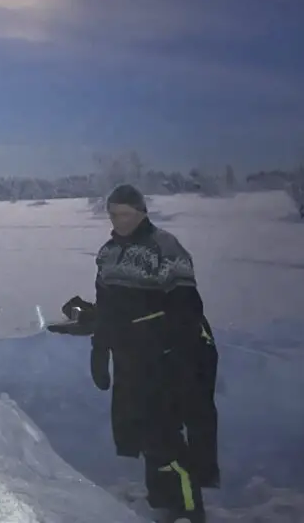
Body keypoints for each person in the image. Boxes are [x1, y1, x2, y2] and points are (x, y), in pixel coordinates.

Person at [80, 184, 220, 522]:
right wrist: (100, 350)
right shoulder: (108, 252)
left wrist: (173, 354)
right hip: (132, 358)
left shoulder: (165, 247)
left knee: (165, 433)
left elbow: (187, 306)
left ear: (142, 212)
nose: (120, 220)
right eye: (114, 214)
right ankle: (162, 504)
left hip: (169, 356)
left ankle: (188, 509)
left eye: (126, 213)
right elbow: (107, 307)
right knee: (141, 431)